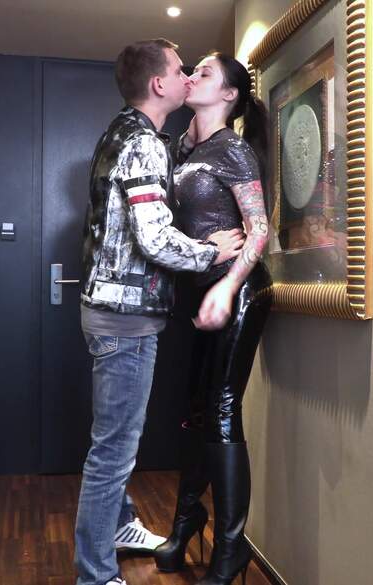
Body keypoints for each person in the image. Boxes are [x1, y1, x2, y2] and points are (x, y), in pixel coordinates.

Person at [75, 39, 246, 585]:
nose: (187, 76)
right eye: (180, 70)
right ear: (159, 84)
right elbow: (152, 238)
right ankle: (96, 576)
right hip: (125, 319)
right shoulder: (144, 143)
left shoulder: (122, 131)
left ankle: (120, 525)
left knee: (113, 441)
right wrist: (211, 252)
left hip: (108, 310)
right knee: (113, 453)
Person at [153, 53, 272, 585]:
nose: (192, 77)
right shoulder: (185, 147)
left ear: (228, 95)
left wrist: (227, 286)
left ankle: (230, 547)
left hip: (239, 290)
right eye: (192, 70)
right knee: (193, 412)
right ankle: (185, 524)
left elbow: (259, 229)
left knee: (222, 409)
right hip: (200, 292)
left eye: (204, 72)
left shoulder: (234, 150)